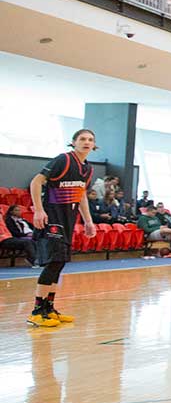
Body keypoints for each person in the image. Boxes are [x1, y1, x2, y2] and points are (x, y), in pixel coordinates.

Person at [26, 130, 97, 327]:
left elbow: (81, 194)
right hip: (51, 218)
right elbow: (36, 182)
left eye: (90, 140)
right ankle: (37, 311)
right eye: (82, 139)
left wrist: (88, 221)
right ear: (73, 142)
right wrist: (38, 210)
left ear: (94, 145)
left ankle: (49, 308)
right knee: (54, 262)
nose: (86, 142)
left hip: (68, 219)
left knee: (60, 262)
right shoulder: (63, 160)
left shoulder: (88, 169)